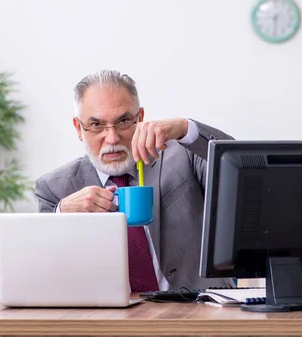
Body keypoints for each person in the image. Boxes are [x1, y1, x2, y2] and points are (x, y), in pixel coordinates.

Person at [35, 70, 234, 291]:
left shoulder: (182, 154)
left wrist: (185, 128)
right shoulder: (54, 187)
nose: (112, 138)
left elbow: (238, 168)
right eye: (96, 125)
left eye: (123, 121)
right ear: (78, 128)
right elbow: (42, 270)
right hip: (106, 319)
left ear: (140, 118)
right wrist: (61, 215)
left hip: (199, 310)